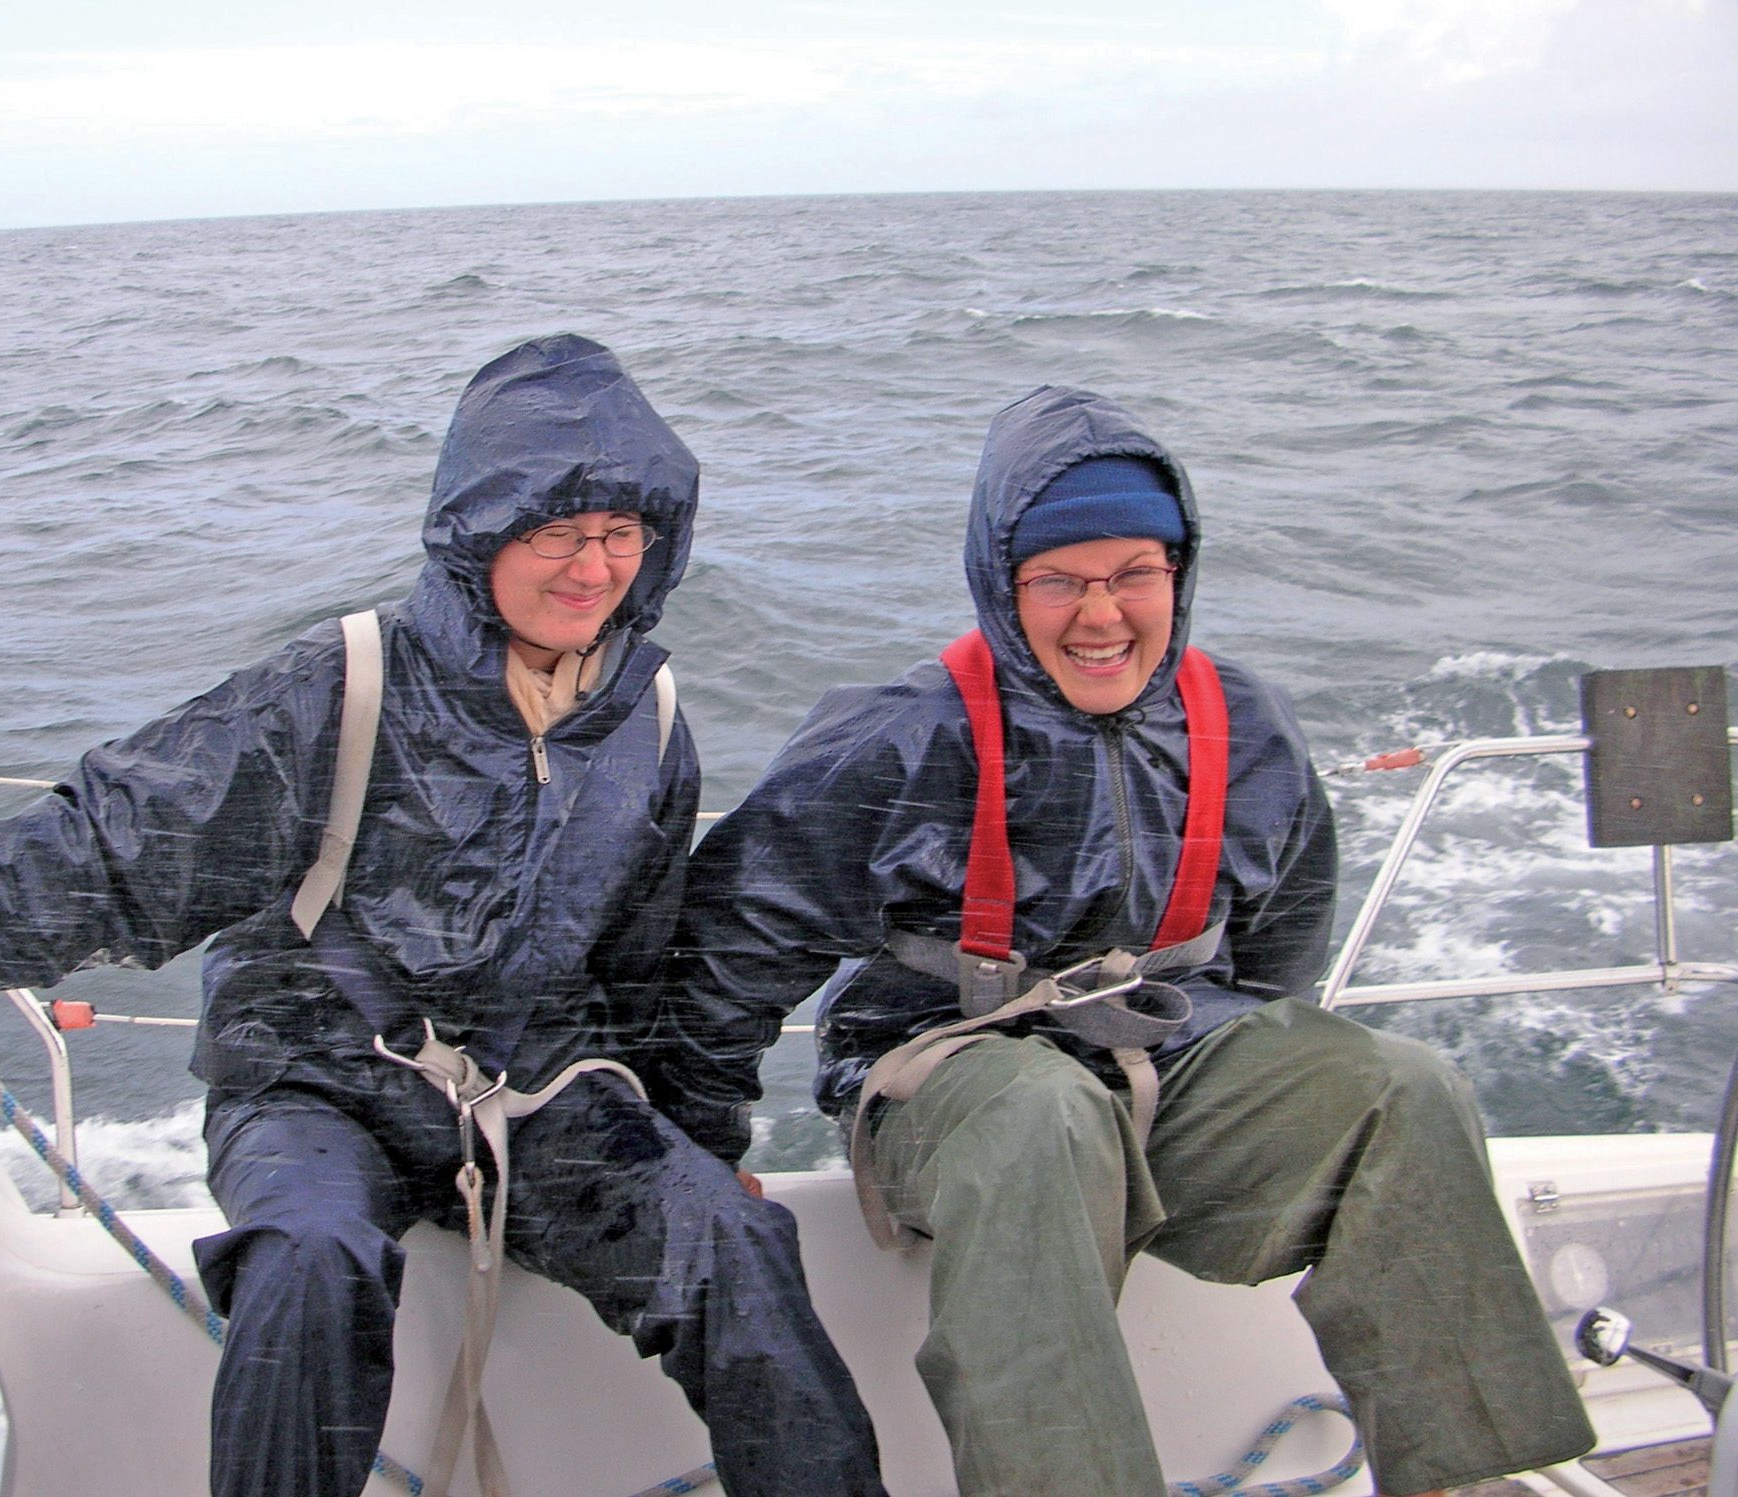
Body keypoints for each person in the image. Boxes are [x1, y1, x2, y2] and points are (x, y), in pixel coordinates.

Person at [0, 334, 885, 1497]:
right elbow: (107, 851)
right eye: (555, 531)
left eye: (621, 532)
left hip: (537, 1093)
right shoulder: (337, 685)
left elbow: (643, 970)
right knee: (306, 1260)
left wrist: (696, 1149)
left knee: (736, 1248)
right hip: (311, 1082)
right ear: (480, 529)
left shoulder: (651, 719)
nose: (592, 568)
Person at [654, 384, 1596, 1497]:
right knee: (1037, 1113)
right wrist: (704, 1149)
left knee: (1403, 1087)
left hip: (1163, 1064)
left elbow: (1280, 957)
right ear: (1002, 585)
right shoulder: (903, 738)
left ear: (1177, 576)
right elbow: (732, 944)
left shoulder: (1246, 724)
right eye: (1058, 579)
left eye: (1133, 573)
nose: (1099, 614)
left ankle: (1460, 1475)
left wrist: (1255, 1097)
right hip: (951, 1086)